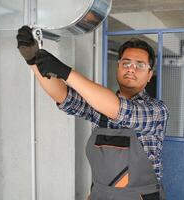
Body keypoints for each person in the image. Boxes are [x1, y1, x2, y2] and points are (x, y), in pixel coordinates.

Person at [17, 26, 169, 200]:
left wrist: (66, 72)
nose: (131, 69)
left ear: (150, 75)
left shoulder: (157, 111)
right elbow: (64, 96)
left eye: (140, 65)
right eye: (126, 63)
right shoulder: (99, 105)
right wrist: (33, 61)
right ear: (118, 68)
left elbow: (120, 110)